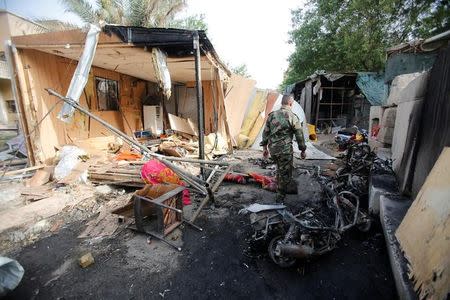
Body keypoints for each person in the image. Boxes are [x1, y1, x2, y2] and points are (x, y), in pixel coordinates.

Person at [260, 94, 306, 202]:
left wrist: (265, 149)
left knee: (280, 169)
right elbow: (299, 134)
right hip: (285, 150)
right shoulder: (293, 116)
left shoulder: (272, 115)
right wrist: (302, 150)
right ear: (291, 103)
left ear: (282, 103)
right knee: (285, 174)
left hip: (273, 150)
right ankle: (279, 198)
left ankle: (278, 185)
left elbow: (265, 132)